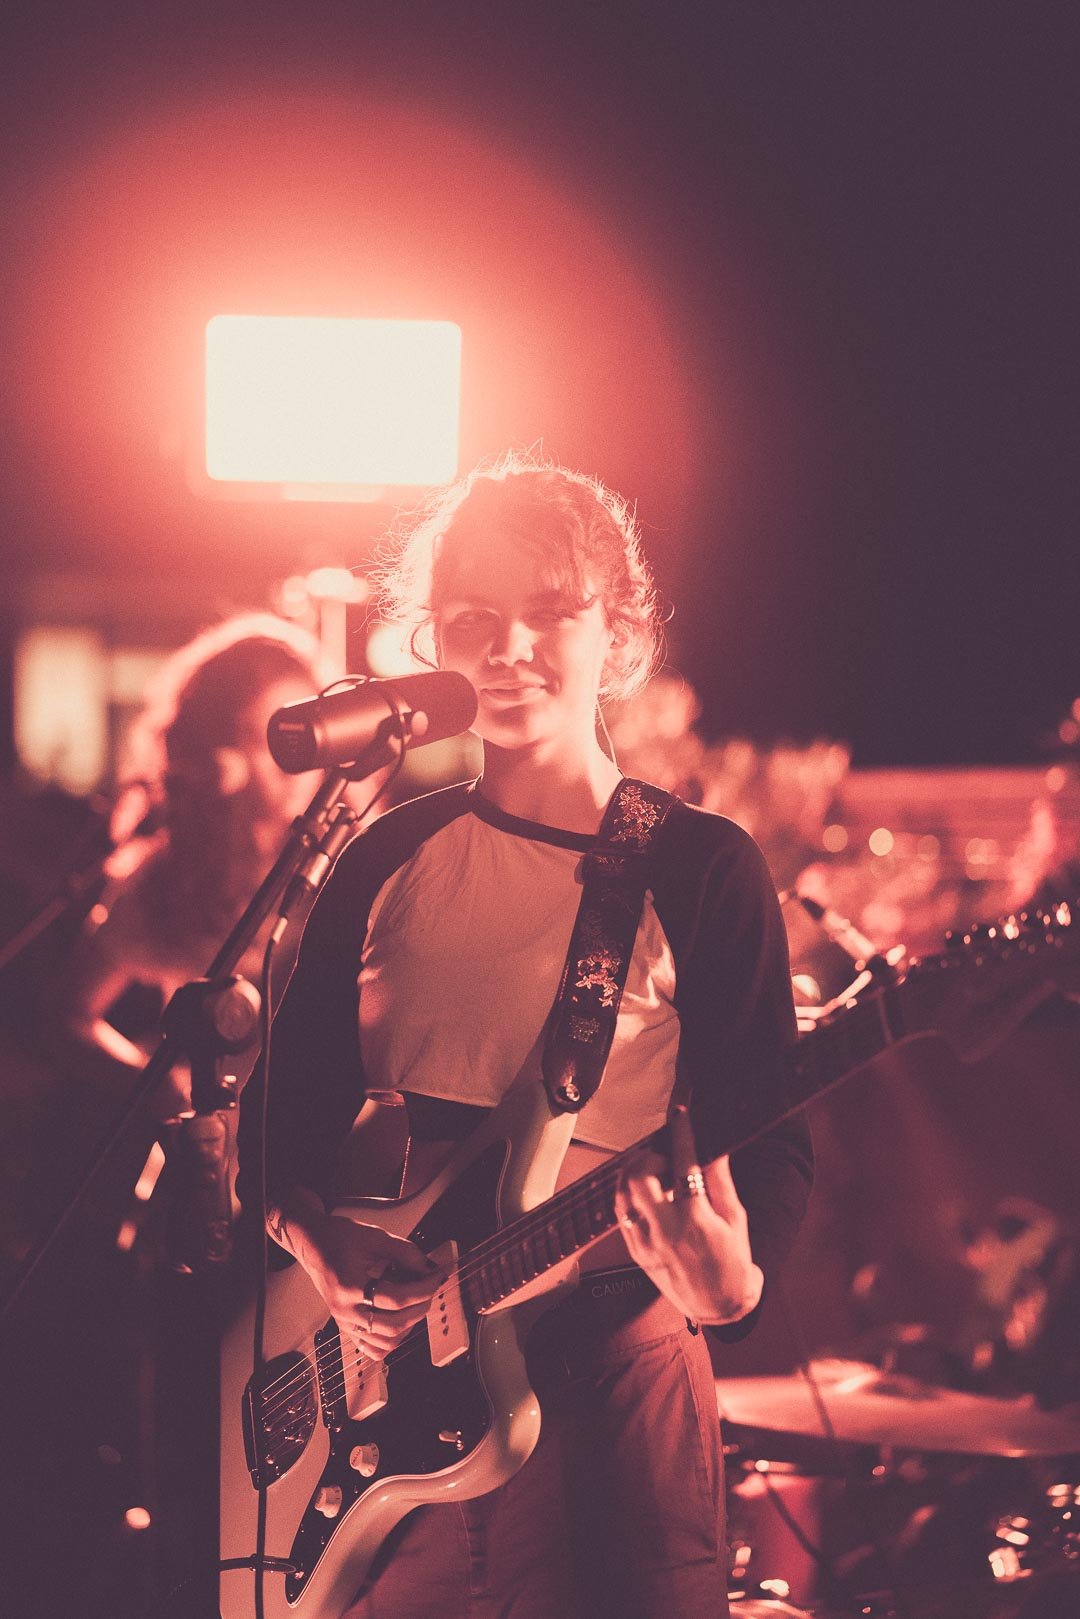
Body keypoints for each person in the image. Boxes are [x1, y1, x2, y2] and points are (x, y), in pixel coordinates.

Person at [248, 456, 813, 1619]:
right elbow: (278, 1126)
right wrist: (323, 1251)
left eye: (551, 612)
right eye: (473, 619)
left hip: (613, 1390)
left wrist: (732, 1279)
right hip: (387, 1409)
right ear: (434, 645)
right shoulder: (379, 855)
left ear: (620, 632)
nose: (509, 648)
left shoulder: (700, 869)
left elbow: (773, 1155)